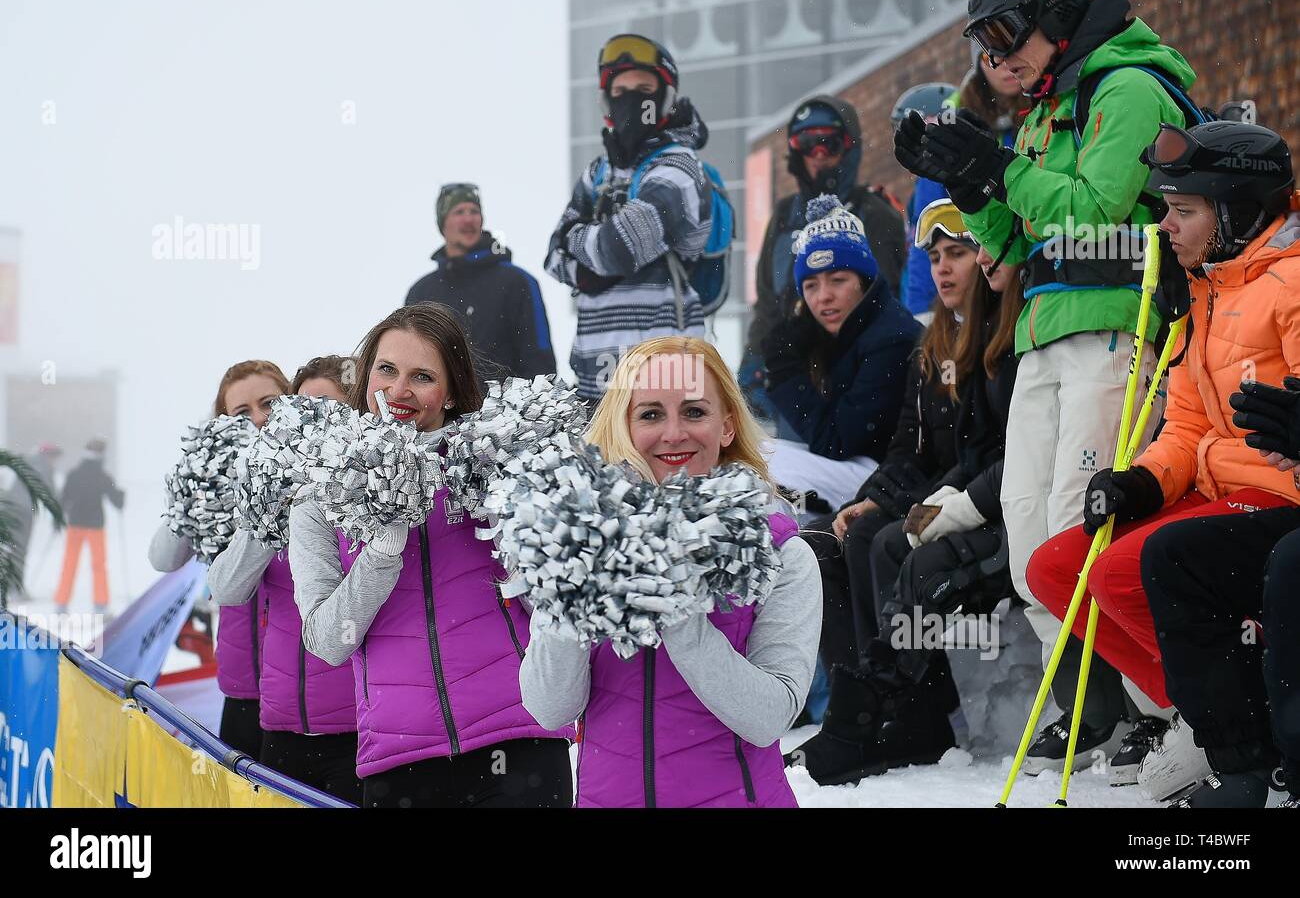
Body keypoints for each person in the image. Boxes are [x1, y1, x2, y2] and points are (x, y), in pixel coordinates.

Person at [895, 0, 1203, 775]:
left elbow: (1099, 212)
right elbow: (1015, 249)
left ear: (1059, 16)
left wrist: (1000, 169)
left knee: (1087, 528)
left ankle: (1169, 711)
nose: (996, 61)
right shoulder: (1042, 109)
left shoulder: (1127, 88)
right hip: (1045, 328)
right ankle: (1094, 707)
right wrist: (968, 181)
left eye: (1006, 37)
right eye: (982, 48)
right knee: (1033, 543)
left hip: (1118, 324)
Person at [1026, 120, 1300, 805]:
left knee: (1124, 569)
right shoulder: (1205, 286)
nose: (1164, 228)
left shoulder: (1288, 286)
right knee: (1057, 567)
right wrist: (1143, 481)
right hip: (1212, 489)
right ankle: (1209, 707)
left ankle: (1235, 720)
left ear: (1234, 211)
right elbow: (1185, 423)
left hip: (1275, 494)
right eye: (1164, 211)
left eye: (1183, 211)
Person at [289, 303, 572, 808]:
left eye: (422, 376)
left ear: (453, 391)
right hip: (400, 764)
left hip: (518, 744)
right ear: (365, 377)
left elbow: (552, 602)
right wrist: (383, 543)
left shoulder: (495, 470)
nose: (399, 392)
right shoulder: (319, 495)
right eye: (387, 371)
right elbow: (327, 642)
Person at [519, 336, 821, 807]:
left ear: (727, 426)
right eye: (651, 414)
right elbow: (550, 709)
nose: (674, 433)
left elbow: (769, 718)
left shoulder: (783, 552)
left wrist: (677, 606)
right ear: (625, 426)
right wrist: (569, 588)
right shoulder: (580, 539)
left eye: (695, 412)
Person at [790, 204, 1023, 785]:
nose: (944, 270)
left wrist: (918, 505)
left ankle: (909, 709)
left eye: (959, 254)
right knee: (833, 542)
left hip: (996, 507)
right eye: (935, 258)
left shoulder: (1009, 336)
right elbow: (909, 452)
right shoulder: (935, 345)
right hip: (949, 496)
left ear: (987, 258)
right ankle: (858, 707)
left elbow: (994, 459)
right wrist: (875, 496)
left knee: (889, 540)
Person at [205, 354, 361, 805]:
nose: (312, 421)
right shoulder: (272, 488)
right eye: (303, 408)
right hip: (281, 723)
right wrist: (271, 503)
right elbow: (228, 589)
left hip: (357, 727)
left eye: (326, 407)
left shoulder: (374, 497)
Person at [543, 33, 713, 405]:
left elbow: (616, 249)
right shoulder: (598, 172)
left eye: (643, 89)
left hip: (665, 384)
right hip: (594, 385)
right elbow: (552, 256)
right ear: (607, 102)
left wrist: (577, 236)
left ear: (666, 97)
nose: (632, 100)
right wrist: (583, 272)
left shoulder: (680, 168)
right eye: (621, 91)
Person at [148, 359, 291, 756]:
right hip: (241, 689)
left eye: (269, 403)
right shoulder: (216, 489)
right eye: (241, 413)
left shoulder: (314, 473)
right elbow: (164, 557)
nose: (258, 420)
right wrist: (195, 481)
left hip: (307, 695)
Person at [741, 95, 907, 429]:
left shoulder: (875, 213)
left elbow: (886, 301)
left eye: (828, 143)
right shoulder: (785, 216)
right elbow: (767, 304)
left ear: (849, 147)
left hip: (851, 380)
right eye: (806, 144)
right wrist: (755, 364)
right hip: (785, 379)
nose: (817, 155)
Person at [760, 195, 920, 512]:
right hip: (866, 472)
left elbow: (837, 441)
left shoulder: (890, 338)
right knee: (751, 456)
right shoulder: (846, 329)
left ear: (863, 281)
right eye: (811, 286)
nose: (824, 298)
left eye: (838, 280)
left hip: (887, 480)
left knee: (763, 471)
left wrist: (786, 373)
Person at [405, 183, 556, 381]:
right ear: (443, 224)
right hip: (440, 409)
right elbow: (409, 358)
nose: (468, 219)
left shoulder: (518, 282)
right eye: (459, 212)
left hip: (503, 410)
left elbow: (539, 358)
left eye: (474, 211)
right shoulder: (422, 291)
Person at [890, 82, 957, 317]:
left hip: (936, 309)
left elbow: (922, 251)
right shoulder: (929, 181)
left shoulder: (933, 179)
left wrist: (917, 311)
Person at [55, 438, 125, 615]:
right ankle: (100, 605)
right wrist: (121, 495)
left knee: (69, 563)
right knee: (99, 565)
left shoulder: (74, 474)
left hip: (75, 524)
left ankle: (61, 604)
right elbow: (117, 501)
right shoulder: (102, 476)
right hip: (95, 526)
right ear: (101, 455)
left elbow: (63, 499)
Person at [3, 442, 62, 597]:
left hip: (8, 508)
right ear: (48, 455)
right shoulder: (45, 468)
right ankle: (14, 590)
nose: (55, 460)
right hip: (24, 511)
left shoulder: (27, 462)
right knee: (19, 550)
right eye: (54, 457)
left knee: (10, 547)